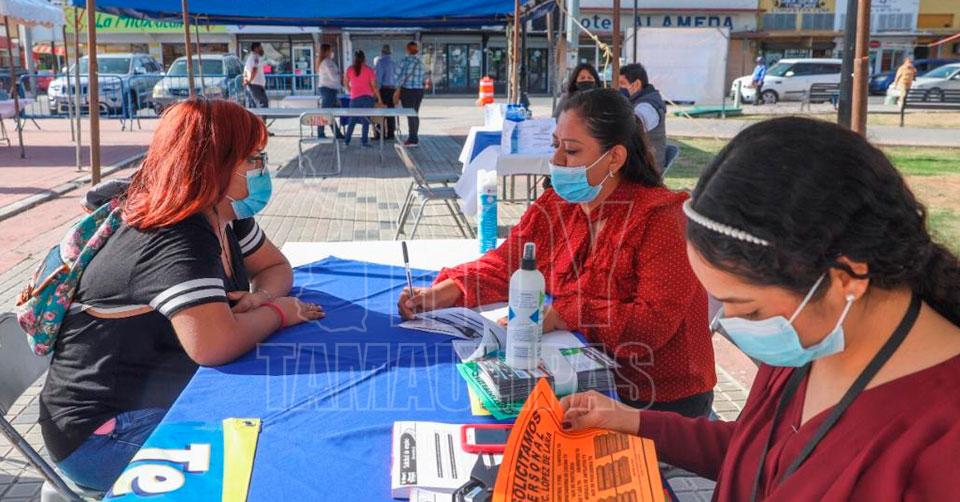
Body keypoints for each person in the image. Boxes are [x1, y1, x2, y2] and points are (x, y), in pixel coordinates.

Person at [560, 116, 960, 500]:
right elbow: (756, 456)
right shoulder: (811, 337)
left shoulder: (943, 440)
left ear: (847, 277)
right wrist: (630, 420)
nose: (730, 323)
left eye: (749, 310)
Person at [39, 99, 326, 492]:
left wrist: (259, 299)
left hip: (165, 397)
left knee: (294, 420)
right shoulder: (176, 234)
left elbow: (276, 267)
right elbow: (215, 345)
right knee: (280, 459)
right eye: (253, 158)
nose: (262, 169)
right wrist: (278, 313)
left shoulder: (225, 215)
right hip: (104, 434)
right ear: (216, 164)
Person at [399, 89, 717, 417]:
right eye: (555, 146)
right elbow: (507, 264)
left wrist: (565, 314)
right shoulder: (557, 205)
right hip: (577, 375)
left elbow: (652, 324)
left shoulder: (661, 218)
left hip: (656, 396)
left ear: (614, 158)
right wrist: (449, 290)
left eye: (572, 150)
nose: (557, 160)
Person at [618, 63, 666, 171]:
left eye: (622, 83)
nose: (619, 88)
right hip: (638, 163)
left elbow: (631, 127)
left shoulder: (648, 106)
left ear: (636, 84)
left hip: (647, 169)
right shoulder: (636, 102)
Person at [343, 50, 381, 148]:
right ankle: (364, 142)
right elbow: (374, 86)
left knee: (352, 120)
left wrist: (351, 91)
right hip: (368, 98)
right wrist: (379, 98)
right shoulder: (369, 70)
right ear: (364, 58)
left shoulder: (350, 69)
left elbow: (345, 83)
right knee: (366, 121)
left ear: (354, 58)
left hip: (354, 98)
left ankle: (346, 141)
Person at [394, 41, 425, 147]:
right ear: (417, 50)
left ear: (407, 50)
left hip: (408, 91)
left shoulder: (405, 61)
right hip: (419, 90)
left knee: (410, 114)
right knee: (415, 114)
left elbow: (396, 75)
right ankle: (414, 137)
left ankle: (412, 139)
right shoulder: (421, 62)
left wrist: (397, 86)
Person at [317, 43, 343, 139]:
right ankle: (321, 133)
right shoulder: (327, 63)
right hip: (328, 90)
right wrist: (341, 76)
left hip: (329, 89)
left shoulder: (327, 62)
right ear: (327, 51)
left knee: (328, 112)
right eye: (331, 50)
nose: (332, 52)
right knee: (326, 112)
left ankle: (336, 133)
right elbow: (334, 77)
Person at [374, 44, 398, 141]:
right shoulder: (394, 63)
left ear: (382, 52)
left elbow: (378, 79)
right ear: (391, 52)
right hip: (393, 90)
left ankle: (380, 134)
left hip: (383, 90)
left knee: (381, 112)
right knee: (391, 112)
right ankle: (391, 134)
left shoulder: (380, 62)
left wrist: (376, 93)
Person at [243, 42, 268, 109]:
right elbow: (254, 69)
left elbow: (247, 70)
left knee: (254, 106)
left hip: (254, 85)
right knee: (263, 105)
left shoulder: (251, 57)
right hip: (255, 85)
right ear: (256, 48)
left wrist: (247, 80)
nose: (262, 49)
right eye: (261, 47)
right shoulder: (255, 57)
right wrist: (249, 81)